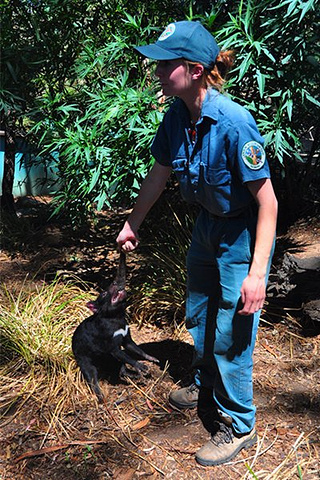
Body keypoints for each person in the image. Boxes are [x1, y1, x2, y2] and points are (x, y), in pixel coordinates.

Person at [116, 20, 278, 466]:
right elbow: (159, 175)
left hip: (239, 232)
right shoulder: (175, 117)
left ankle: (238, 423)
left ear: (192, 68)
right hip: (206, 227)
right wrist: (133, 224)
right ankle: (207, 382)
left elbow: (268, 202)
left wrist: (257, 272)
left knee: (233, 330)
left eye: (164, 64)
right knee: (201, 314)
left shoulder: (234, 123)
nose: (156, 71)